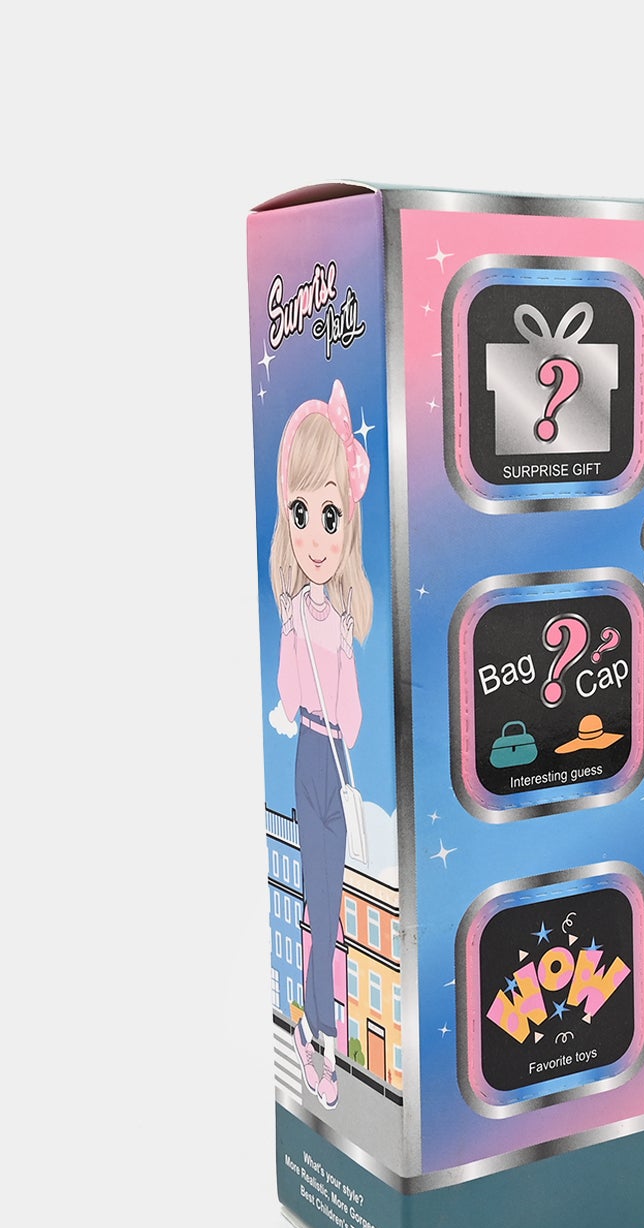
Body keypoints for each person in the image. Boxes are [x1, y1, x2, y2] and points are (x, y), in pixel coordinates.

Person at [270, 380, 373, 1108]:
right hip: (316, 755)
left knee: (327, 905)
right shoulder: (303, 623)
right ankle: (318, 1034)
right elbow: (303, 696)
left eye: (328, 517)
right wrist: (294, 708)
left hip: (330, 759)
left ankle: (317, 1029)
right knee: (319, 902)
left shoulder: (333, 624)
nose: (314, 536)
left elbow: (349, 709)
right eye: (302, 514)